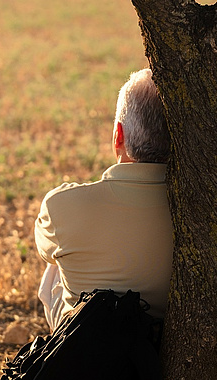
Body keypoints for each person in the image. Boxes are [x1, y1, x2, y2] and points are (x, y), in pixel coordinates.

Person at [35, 69, 173, 332]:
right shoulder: (201, 211)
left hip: (87, 351)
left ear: (118, 135)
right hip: (161, 350)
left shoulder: (61, 206)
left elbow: (44, 250)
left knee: (56, 264)